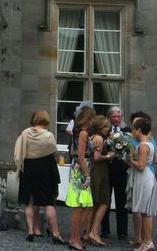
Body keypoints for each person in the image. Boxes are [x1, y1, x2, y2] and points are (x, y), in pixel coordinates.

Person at [14, 109, 66, 245]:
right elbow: (54, 152)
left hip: (28, 168)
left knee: (29, 201)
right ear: (46, 119)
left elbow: (18, 151)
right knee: (49, 202)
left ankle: (31, 231)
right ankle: (56, 233)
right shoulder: (48, 136)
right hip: (45, 169)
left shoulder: (25, 133)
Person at [67, 105, 96, 251]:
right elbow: (81, 156)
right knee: (81, 207)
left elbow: (73, 151)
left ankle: (75, 238)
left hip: (77, 169)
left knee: (83, 207)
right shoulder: (83, 133)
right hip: (82, 171)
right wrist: (87, 176)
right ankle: (75, 239)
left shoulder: (76, 132)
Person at [128, 116, 157, 251]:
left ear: (139, 130)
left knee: (145, 212)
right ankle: (146, 241)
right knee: (145, 212)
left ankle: (148, 241)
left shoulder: (143, 146)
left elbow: (141, 166)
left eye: (134, 129)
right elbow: (154, 161)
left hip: (144, 178)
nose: (133, 132)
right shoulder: (151, 144)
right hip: (147, 177)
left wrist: (129, 160)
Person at [102, 105, 131, 241]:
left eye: (118, 117)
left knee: (122, 202)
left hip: (121, 170)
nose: (116, 119)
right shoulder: (105, 131)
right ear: (109, 117)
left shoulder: (127, 131)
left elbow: (131, 149)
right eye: (114, 116)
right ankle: (104, 230)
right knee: (105, 201)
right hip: (106, 169)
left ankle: (122, 232)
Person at [86, 115, 113, 247]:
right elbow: (97, 157)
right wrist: (109, 156)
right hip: (99, 171)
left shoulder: (92, 137)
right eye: (105, 126)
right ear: (100, 127)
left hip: (94, 170)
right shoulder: (99, 138)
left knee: (94, 203)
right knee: (104, 202)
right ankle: (94, 231)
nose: (108, 128)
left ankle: (87, 233)